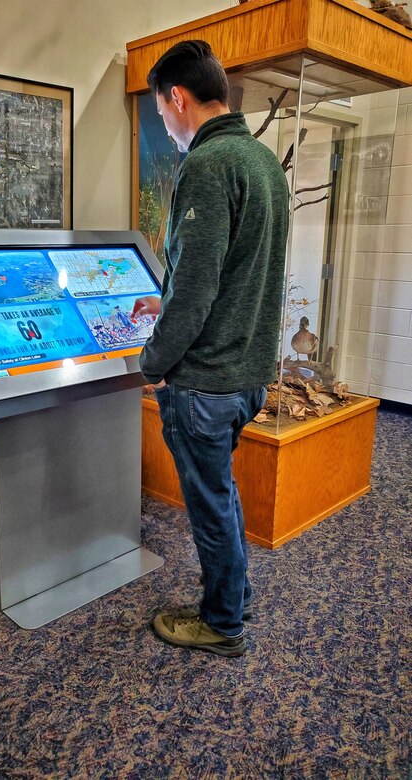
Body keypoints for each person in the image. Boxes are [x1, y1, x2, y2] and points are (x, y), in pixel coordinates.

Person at [132, 40, 289, 657]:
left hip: (205, 382)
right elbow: (236, 271)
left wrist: (151, 366)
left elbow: (197, 293)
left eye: (162, 111)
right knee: (222, 496)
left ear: (177, 98)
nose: (164, 125)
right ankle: (237, 596)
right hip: (248, 374)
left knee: (209, 505)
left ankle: (223, 622)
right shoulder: (262, 162)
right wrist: (162, 299)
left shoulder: (207, 164)